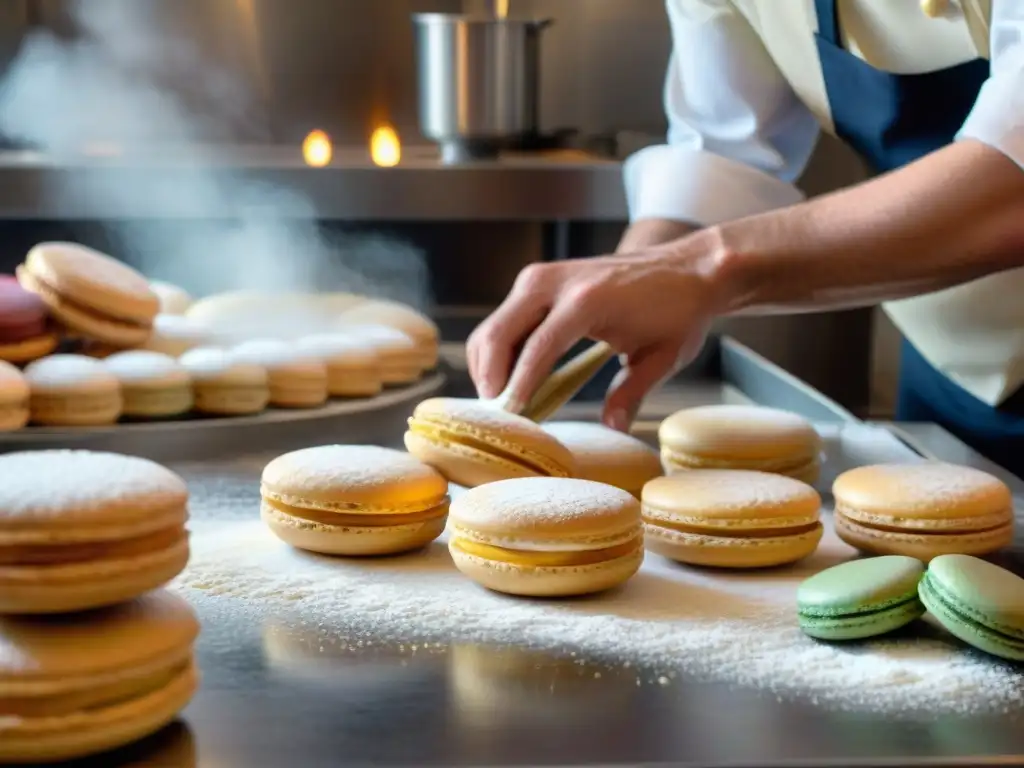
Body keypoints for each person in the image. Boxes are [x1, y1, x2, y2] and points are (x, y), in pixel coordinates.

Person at [466, 0, 1024, 473]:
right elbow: (722, 146)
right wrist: (634, 276)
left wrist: (700, 270)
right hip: (949, 369)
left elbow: (1013, 183)